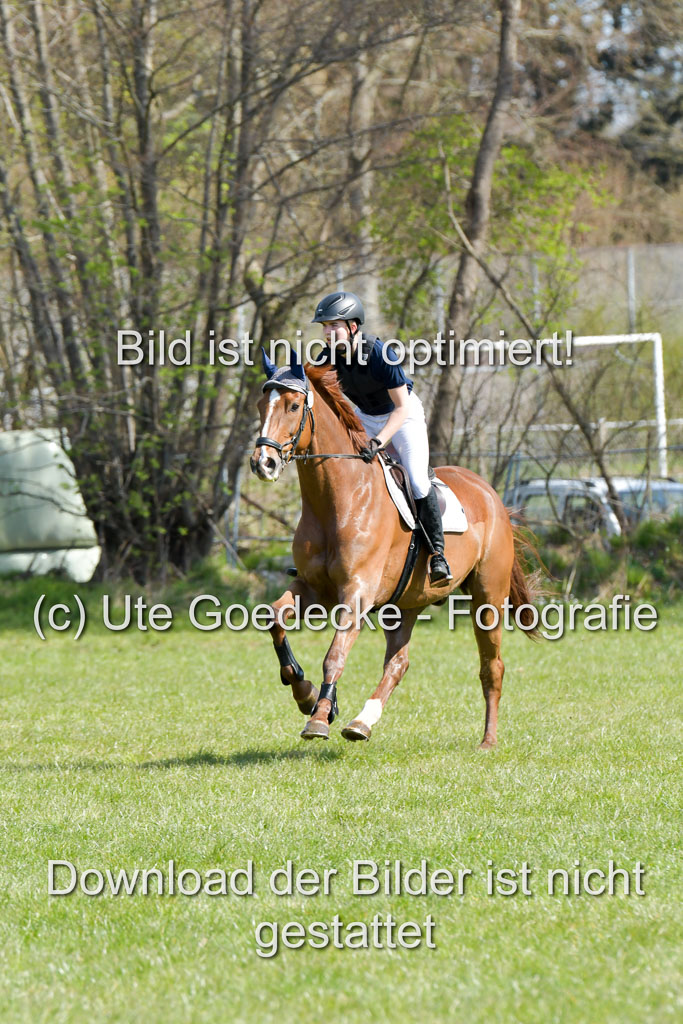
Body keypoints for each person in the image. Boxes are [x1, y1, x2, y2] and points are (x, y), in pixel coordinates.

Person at [311, 290, 452, 584]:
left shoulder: (379, 353)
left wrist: (378, 441)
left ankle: (438, 554)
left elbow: (401, 407)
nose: (327, 332)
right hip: (365, 416)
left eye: (334, 325)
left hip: (402, 416)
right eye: (324, 326)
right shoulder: (327, 356)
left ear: (353, 327)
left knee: (416, 480)